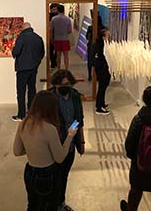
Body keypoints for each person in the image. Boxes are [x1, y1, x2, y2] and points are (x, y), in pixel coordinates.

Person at [13, 90, 78, 211]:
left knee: (32, 205)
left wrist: (33, 148)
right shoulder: (50, 128)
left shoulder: (23, 123)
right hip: (48, 174)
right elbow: (59, 158)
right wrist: (70, 136)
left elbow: (17, 151)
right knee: (50, 206)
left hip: (30, 171)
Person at [49, 70, 85, 211]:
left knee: (64, 176)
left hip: (70, 145)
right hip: (56, 144)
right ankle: (53, 204)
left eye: (67, 84)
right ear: (56, 85)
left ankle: (60, 203)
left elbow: (79, 119)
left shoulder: (75, 96)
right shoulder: (50, 97)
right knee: (55, 176)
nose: (64, 87)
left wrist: (80, 140)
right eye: (61, 84)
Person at [11, 22, 45, 122]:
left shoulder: (21, 37)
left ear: (23, 28)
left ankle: (21, 115)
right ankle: (31, 113)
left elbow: (15, 52)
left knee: (21, 92)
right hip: (33, 68)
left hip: (22, 69)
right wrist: (36, 63)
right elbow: (42, 53)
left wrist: (13, 49)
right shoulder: (38, 38)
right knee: (32, 90)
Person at [90, 28, 111, 115]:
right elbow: (101, 56)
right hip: (101, 68)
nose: (109, 35)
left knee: (103, 87)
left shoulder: (100, 43)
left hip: (100, 67)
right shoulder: (101, 44)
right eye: (107, 34)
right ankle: (99, 107)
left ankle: (101, 103)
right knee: (102, 87)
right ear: (103, 35)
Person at [50, 4, 72, 70]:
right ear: (64, 10)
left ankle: (58, 69)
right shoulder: (67, 19)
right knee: (66, 56)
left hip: (57, 39)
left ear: (58, 10)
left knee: (58, 56)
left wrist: (52, 39)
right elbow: (70, 30)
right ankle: (66, 69)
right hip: (65, 39)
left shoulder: (53, 19)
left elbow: (51, 31)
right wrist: (65, 33)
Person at [85, 14, 105, 81]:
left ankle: (89, 75)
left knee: (90, 60)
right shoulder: (103, 28)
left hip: (92, 45)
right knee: (99, 61)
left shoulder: (90, 28)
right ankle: (98, 76)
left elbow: (87, 37)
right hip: (100, 46)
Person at [49, 3, 59, 68]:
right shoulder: (49, 16)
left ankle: (54, 61)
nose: (55, 10)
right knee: (51, 49)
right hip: (50, 34)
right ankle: (52, 61)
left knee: (57, 49)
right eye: (53, 9)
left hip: (57, 34)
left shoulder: (58, 16)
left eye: (56, 9)